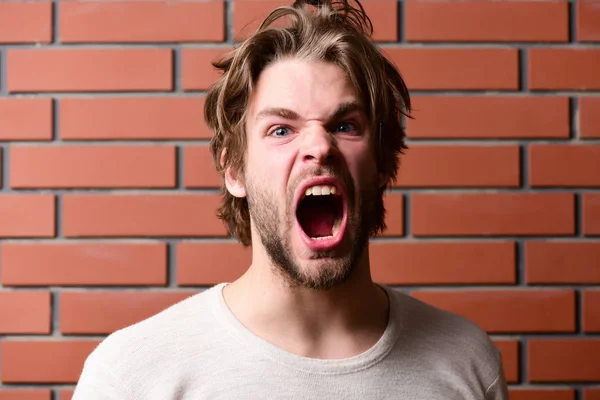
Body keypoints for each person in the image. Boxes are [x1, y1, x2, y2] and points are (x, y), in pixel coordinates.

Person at [72, 0, 508, 398]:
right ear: (235, 171)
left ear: (379, 165)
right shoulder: (131, 377)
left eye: (346, 126)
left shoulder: (466, 363)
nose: (319, 146)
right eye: (281, 129)